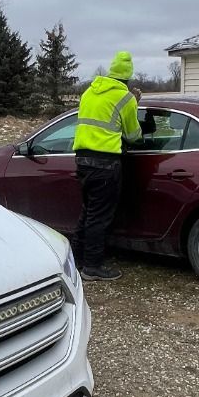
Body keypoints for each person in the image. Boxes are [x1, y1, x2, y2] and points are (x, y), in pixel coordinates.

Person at [71, 51, 142, 281]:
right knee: (99, 217)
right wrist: (134, 105)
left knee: (88, 212)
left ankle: (76, 259)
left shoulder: (89, 91)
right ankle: (92, 267)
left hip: (82, 160)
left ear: (111, 72)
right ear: (128, 77)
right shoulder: (125, 98)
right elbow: (133, 135)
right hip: (105, 164)